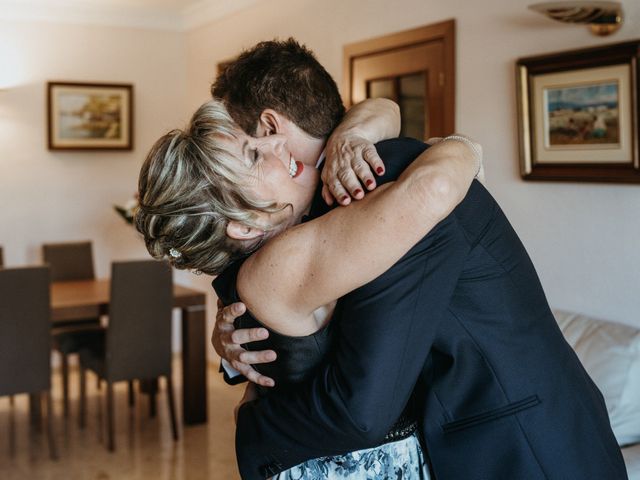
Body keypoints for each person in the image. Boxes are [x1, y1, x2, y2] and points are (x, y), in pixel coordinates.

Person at [209, 40, 627, 479]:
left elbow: (362, 409)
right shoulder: (322, 202)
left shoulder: (383, 181)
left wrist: (253, 429)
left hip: (528, 445)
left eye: (241, 144)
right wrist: (231, 346)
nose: (241, 163)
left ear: (269, 125)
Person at [136, 97, 481, 479]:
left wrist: (352, 135)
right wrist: (460, 146)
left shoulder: (259, 262)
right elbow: (433, 189)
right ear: (245, 225)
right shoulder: (277, 267)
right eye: (253, 155)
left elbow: (385, 108)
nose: (276, 143)